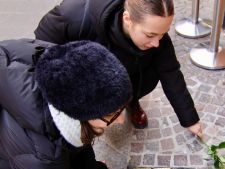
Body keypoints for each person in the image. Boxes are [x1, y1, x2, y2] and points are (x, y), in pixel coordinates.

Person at [0, 39, 160, 169]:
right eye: (111, 114)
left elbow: (76, 136)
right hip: (9, 154)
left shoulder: (66, 67)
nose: (121, 121)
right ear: (77, 115)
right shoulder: (39, 149)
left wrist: (88, 168)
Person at [34, 0, 203, 136]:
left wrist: (190, 119)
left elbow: (170, 73)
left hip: (134, 74)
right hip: (89, 75)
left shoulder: (157, 38)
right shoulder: (74, 14)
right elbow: (41, 46)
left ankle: (131, 102)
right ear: (127, 19)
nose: (157, 43)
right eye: (150, 35)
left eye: (163, 34)